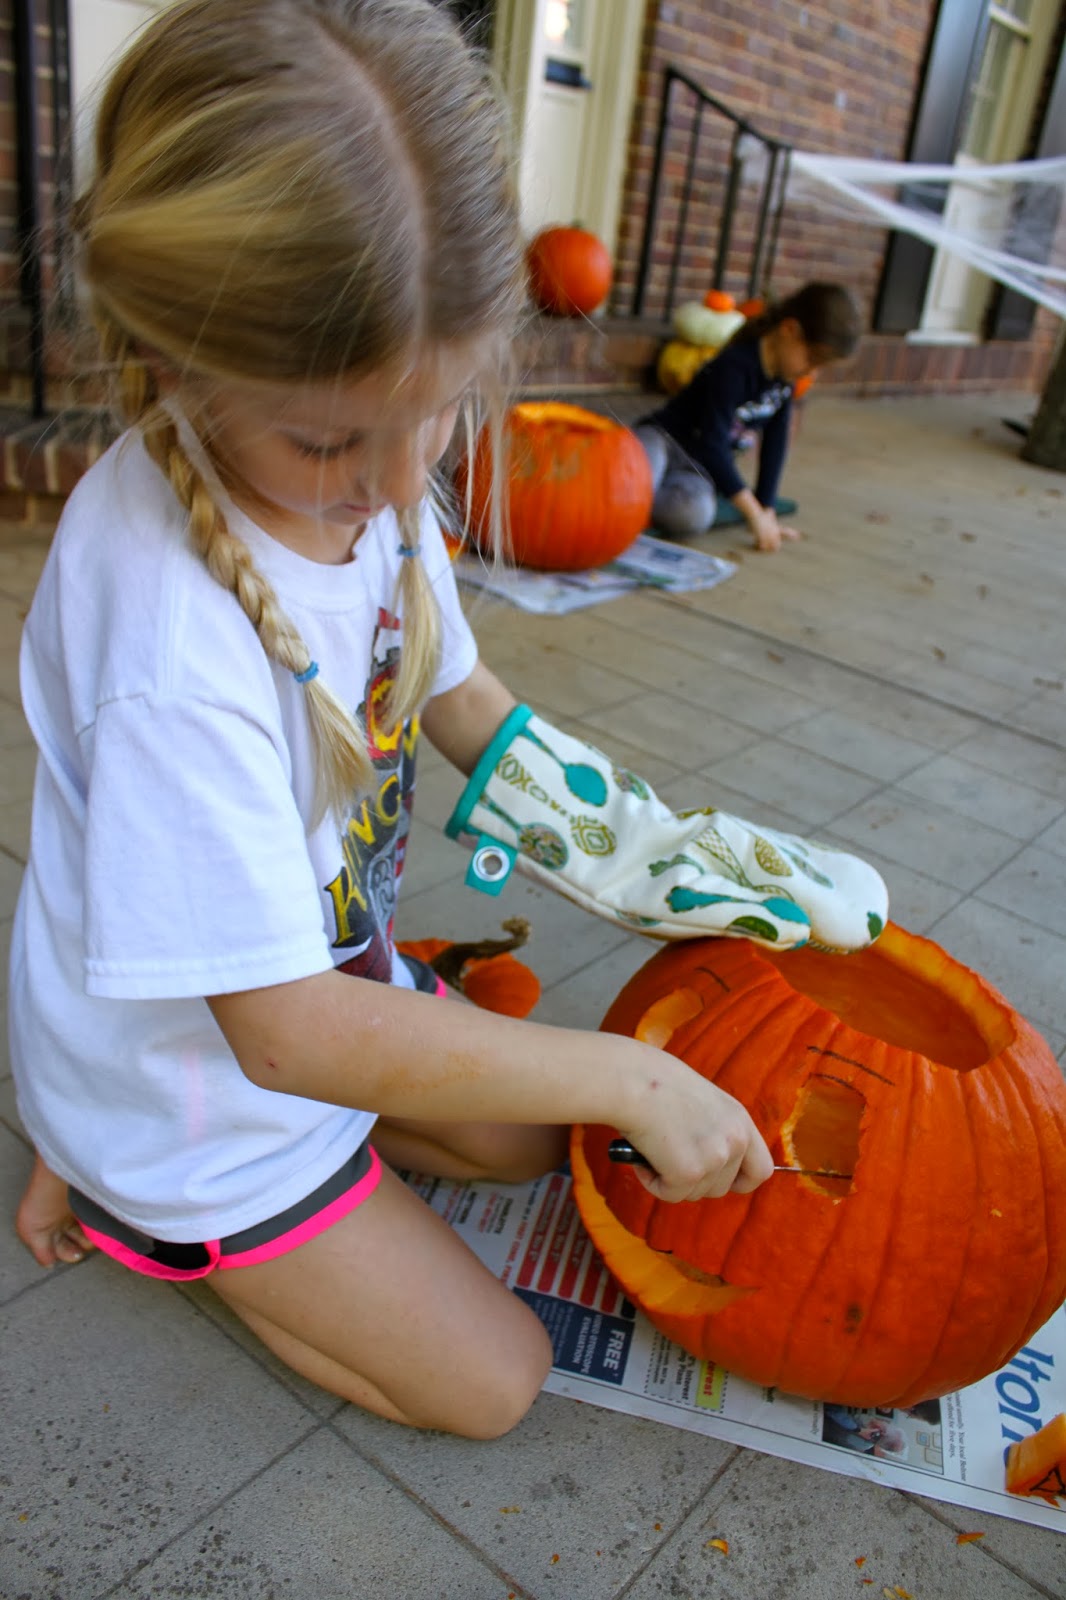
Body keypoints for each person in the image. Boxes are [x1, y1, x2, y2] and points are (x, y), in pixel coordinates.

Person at [9, 0, 777, 1442]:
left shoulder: (363, 448)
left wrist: (651, 843)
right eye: (328, 443)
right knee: (493, 1385)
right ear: (174, 358)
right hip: (205, 1082)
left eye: (428, 421)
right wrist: (621, 1069)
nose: (389, 483)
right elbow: (288, 1042)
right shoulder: (170, 642)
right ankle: (138, 1199)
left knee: (524, 1142)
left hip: (303, 994)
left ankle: (149, 1143)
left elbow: (460, 699)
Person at [634, 282, 861, 552]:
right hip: (664, 440)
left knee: (694, 516)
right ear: (789, 330)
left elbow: (774, 445)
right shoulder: (735, 366)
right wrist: (752, 513)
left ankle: (638, 508)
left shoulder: (783, 381)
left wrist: (767, 511)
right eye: (811, 360)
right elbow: (712, 443)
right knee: (635, 480)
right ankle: (631, 497)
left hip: (697, 469)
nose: (810, 373)